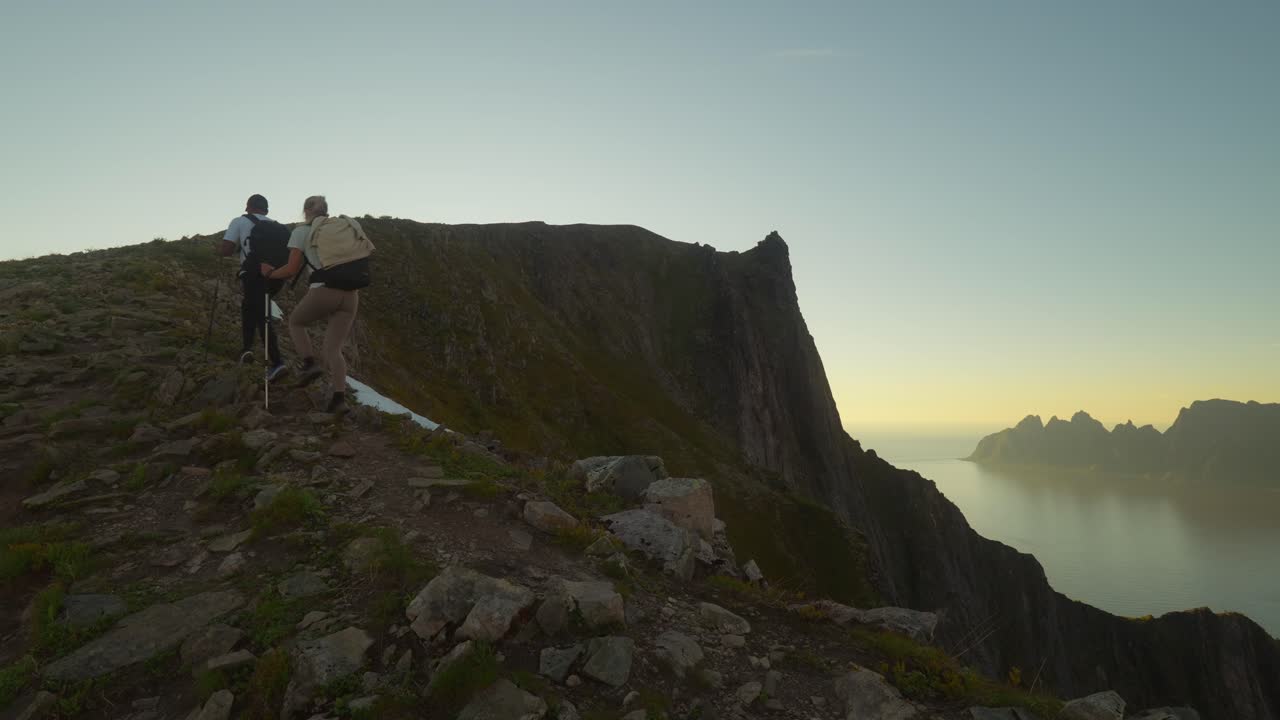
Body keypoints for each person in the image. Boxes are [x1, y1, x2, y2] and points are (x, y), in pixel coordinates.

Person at [259, 195, 362, 414]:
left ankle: (309, 364)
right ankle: (339, 399)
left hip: (324, 290)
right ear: (326, 210)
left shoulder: (302, 231)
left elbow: (290, 270)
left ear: (306, 211)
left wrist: (270, 273)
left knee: (296, 322)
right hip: (351, 294)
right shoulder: (343, 227)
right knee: (334, 349)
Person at [218, 193, 287, 381]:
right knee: (249, 307)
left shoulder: (240, 221)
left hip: (254, 274)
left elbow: (227, 249)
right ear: (266, 209)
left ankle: (277, 362)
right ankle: (246, 350)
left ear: (248, 207)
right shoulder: (276, 226)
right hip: (276, 276)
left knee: (260, 314)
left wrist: (220, 249)